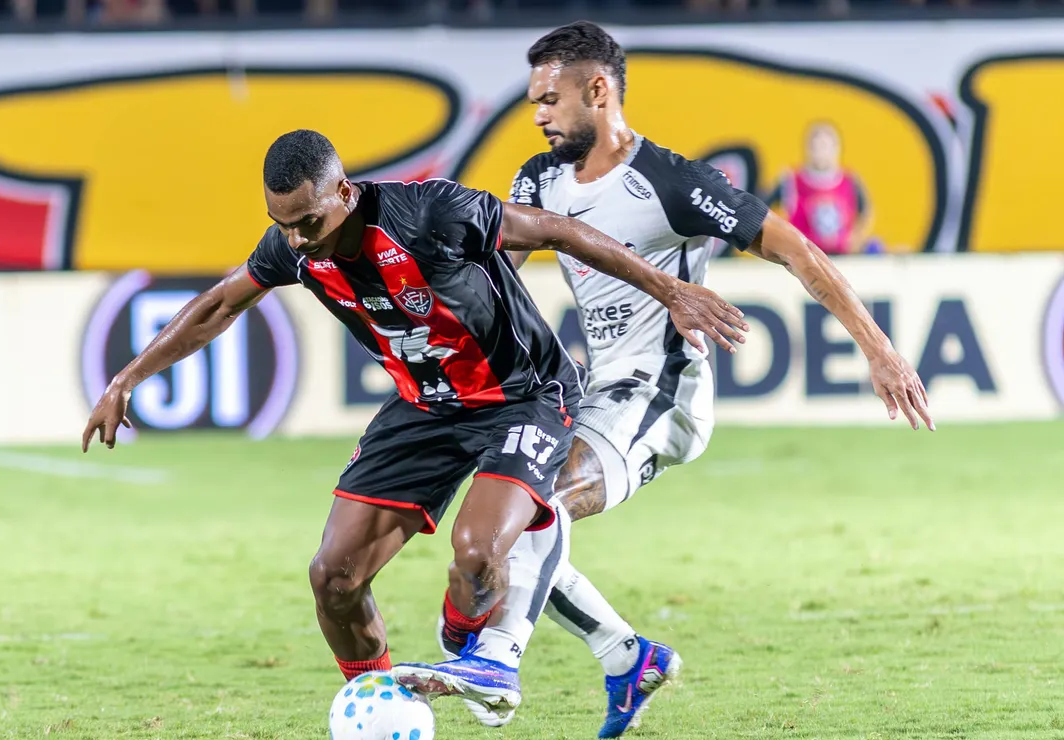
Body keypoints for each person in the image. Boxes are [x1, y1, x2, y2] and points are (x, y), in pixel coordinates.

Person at [391, 21, 934, 738]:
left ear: (598, 90)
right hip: (593, 390)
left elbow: (796, 249)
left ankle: (497, 662)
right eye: (532, 104)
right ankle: (627, 657)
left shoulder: (672, 182)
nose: (540, 115)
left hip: (662, 395)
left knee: (536, 500)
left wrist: (880, 350)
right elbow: (499, 284)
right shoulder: (538, 179)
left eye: (549, 100)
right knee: (512, 520)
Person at [81, 129, 749, 687]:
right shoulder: (290, 246)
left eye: (309, 223)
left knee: (477, 550)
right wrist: (127, 379)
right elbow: (219, 304)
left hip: (523, 396)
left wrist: (669, 289)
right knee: (333, 577)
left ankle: (463, 638)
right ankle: (379, 704)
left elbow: (557, 229)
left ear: (344, 191)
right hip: (425, 408)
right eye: (283, 227)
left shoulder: (429, 213)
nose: (299, 242)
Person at [770, 121, 876, 255]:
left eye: (825, 146)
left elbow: (866, 213)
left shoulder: (850, 180)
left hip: (843, 257)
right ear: (807, 148)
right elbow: (764, 210)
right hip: (805, 258)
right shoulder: (790, 180)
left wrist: (855, 239)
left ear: (837, 148)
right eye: (816, 146)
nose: (821, 152)